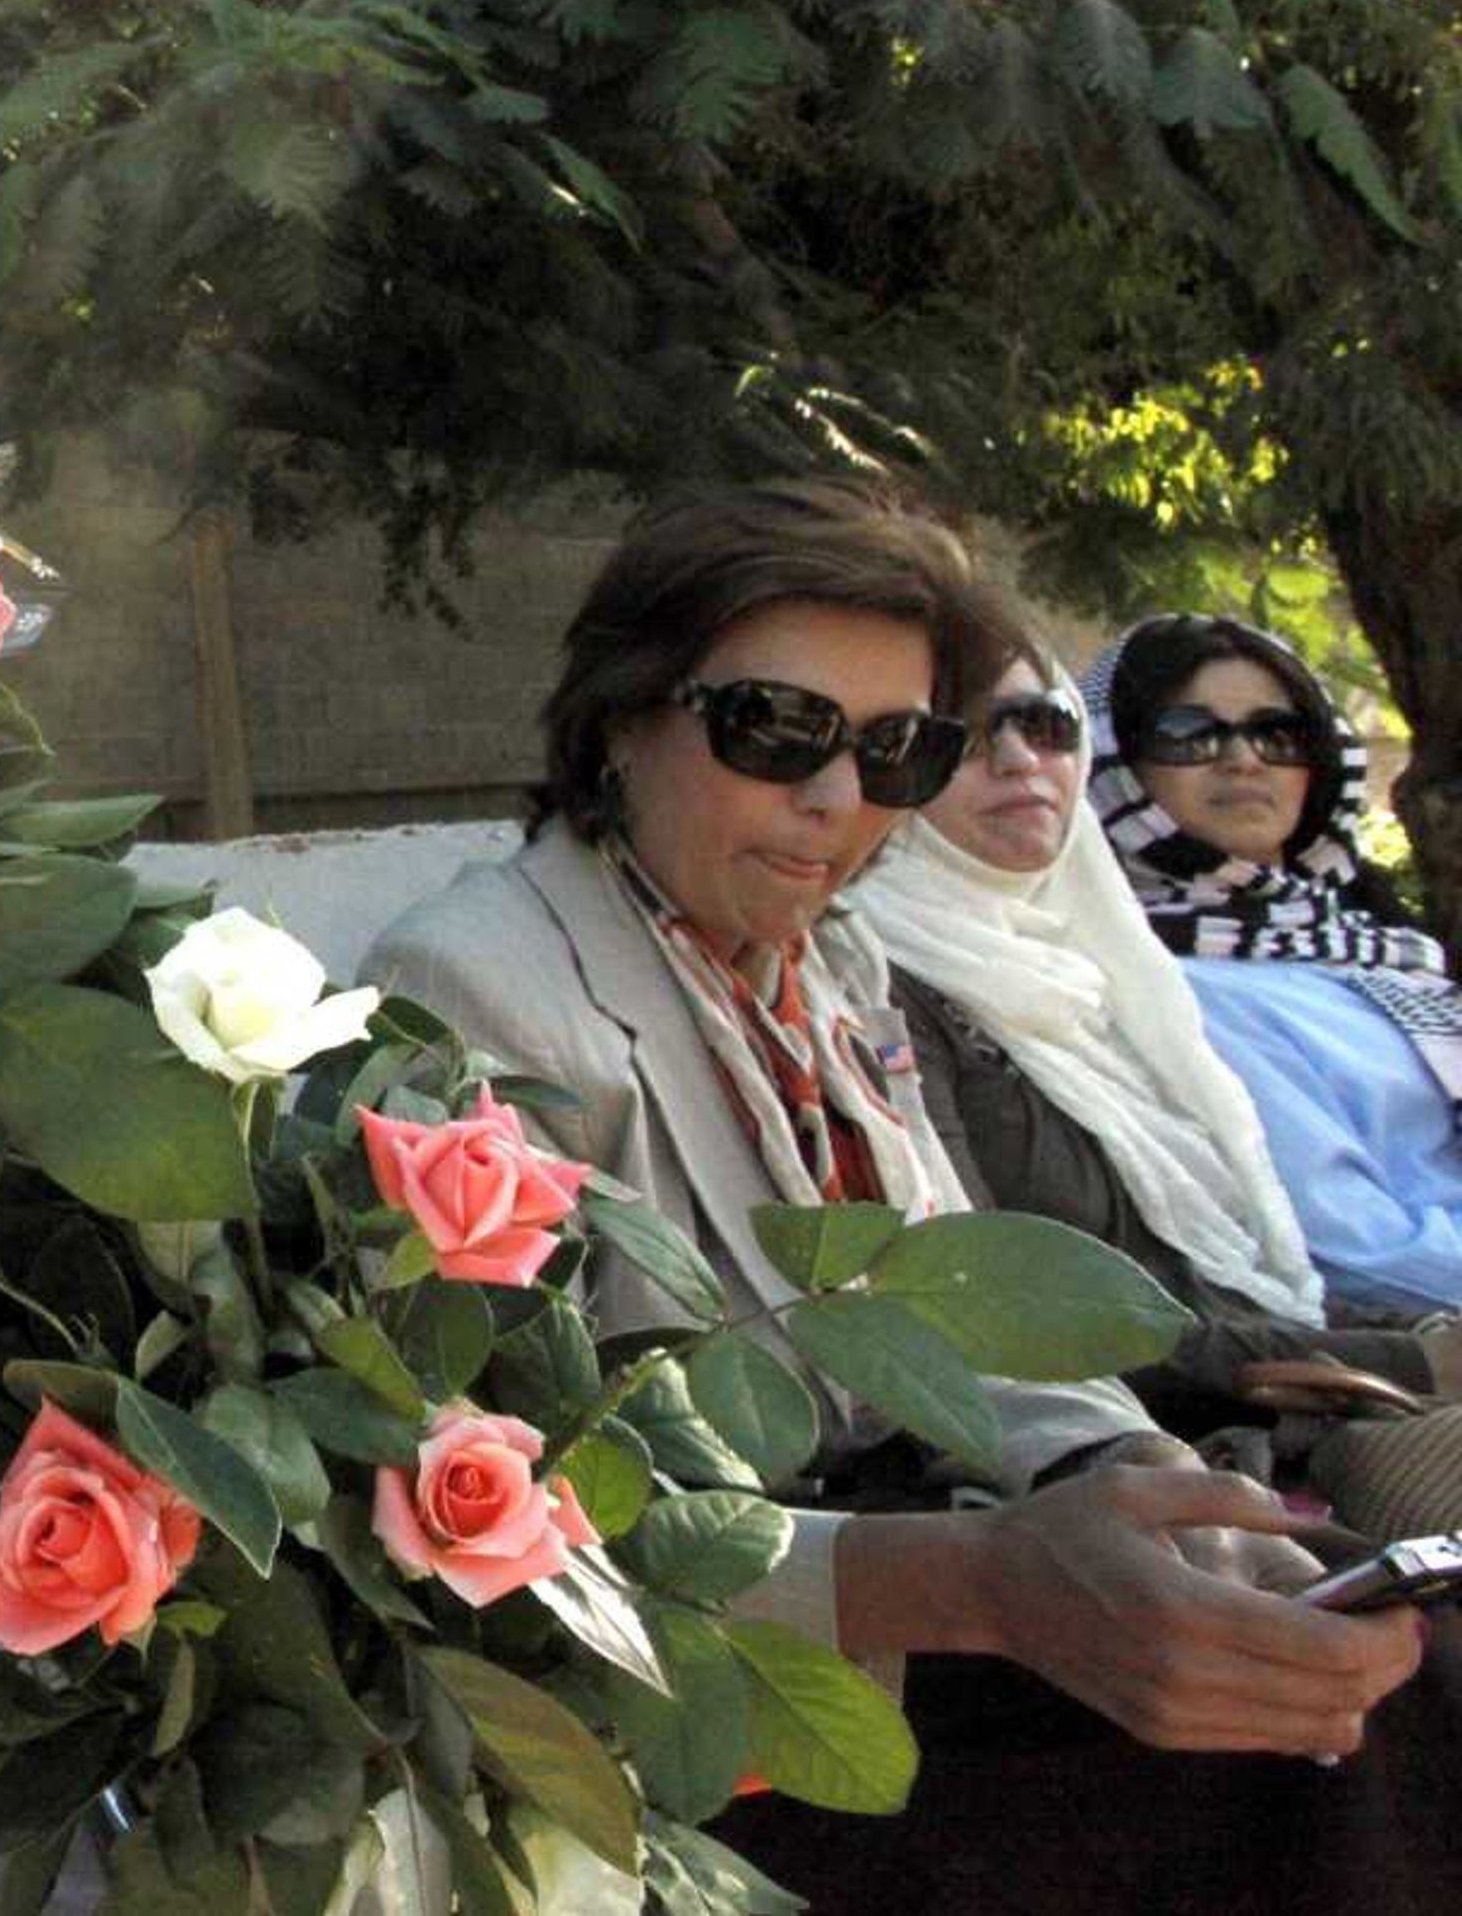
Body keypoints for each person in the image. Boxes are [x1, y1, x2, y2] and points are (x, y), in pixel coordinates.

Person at [365, 482, 1444, 1913]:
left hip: (944, 1566)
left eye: (896, 750)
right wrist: (984, 1581)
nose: (837, 800)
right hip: (717, 1673)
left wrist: (1135, 1489)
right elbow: (490, 1511)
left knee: (1382, 1668)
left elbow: (960, 1315)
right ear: (622, 717)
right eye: (776, 730)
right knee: (1308, 1771)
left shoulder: (829, 967)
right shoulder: (474, 987)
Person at [846, 646, 1461, 1445]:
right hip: (1121, 1466)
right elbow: (980, 1317)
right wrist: (1414, 1361)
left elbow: (1251, 1275)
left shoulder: (1098, 974)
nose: (1017, 758)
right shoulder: (877, 983)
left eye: (1046, 723)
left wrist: (1419, 1345)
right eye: (960, 733)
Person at [1083, 613, 1462, 1317]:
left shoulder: (1375, 950)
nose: (1244, 759)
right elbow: (1352, 1248)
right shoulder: (1170, 984)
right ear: (1115, 761)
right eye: (1191, 733)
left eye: (1277, 734)